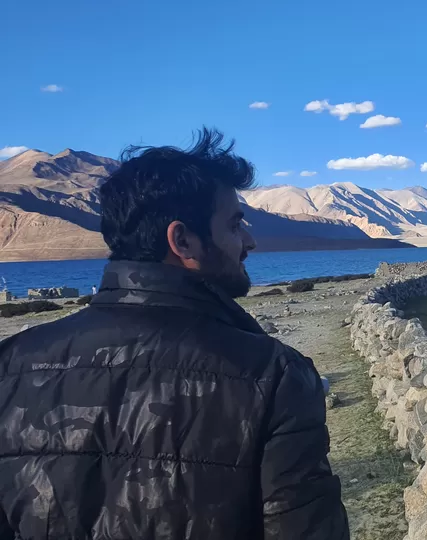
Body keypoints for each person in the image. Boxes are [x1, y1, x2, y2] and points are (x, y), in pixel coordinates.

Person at [0, 129, 349, 539]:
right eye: (235, 225)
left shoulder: (10, 365)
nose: (250, 240)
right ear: (183, 240)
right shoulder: (273, 376)